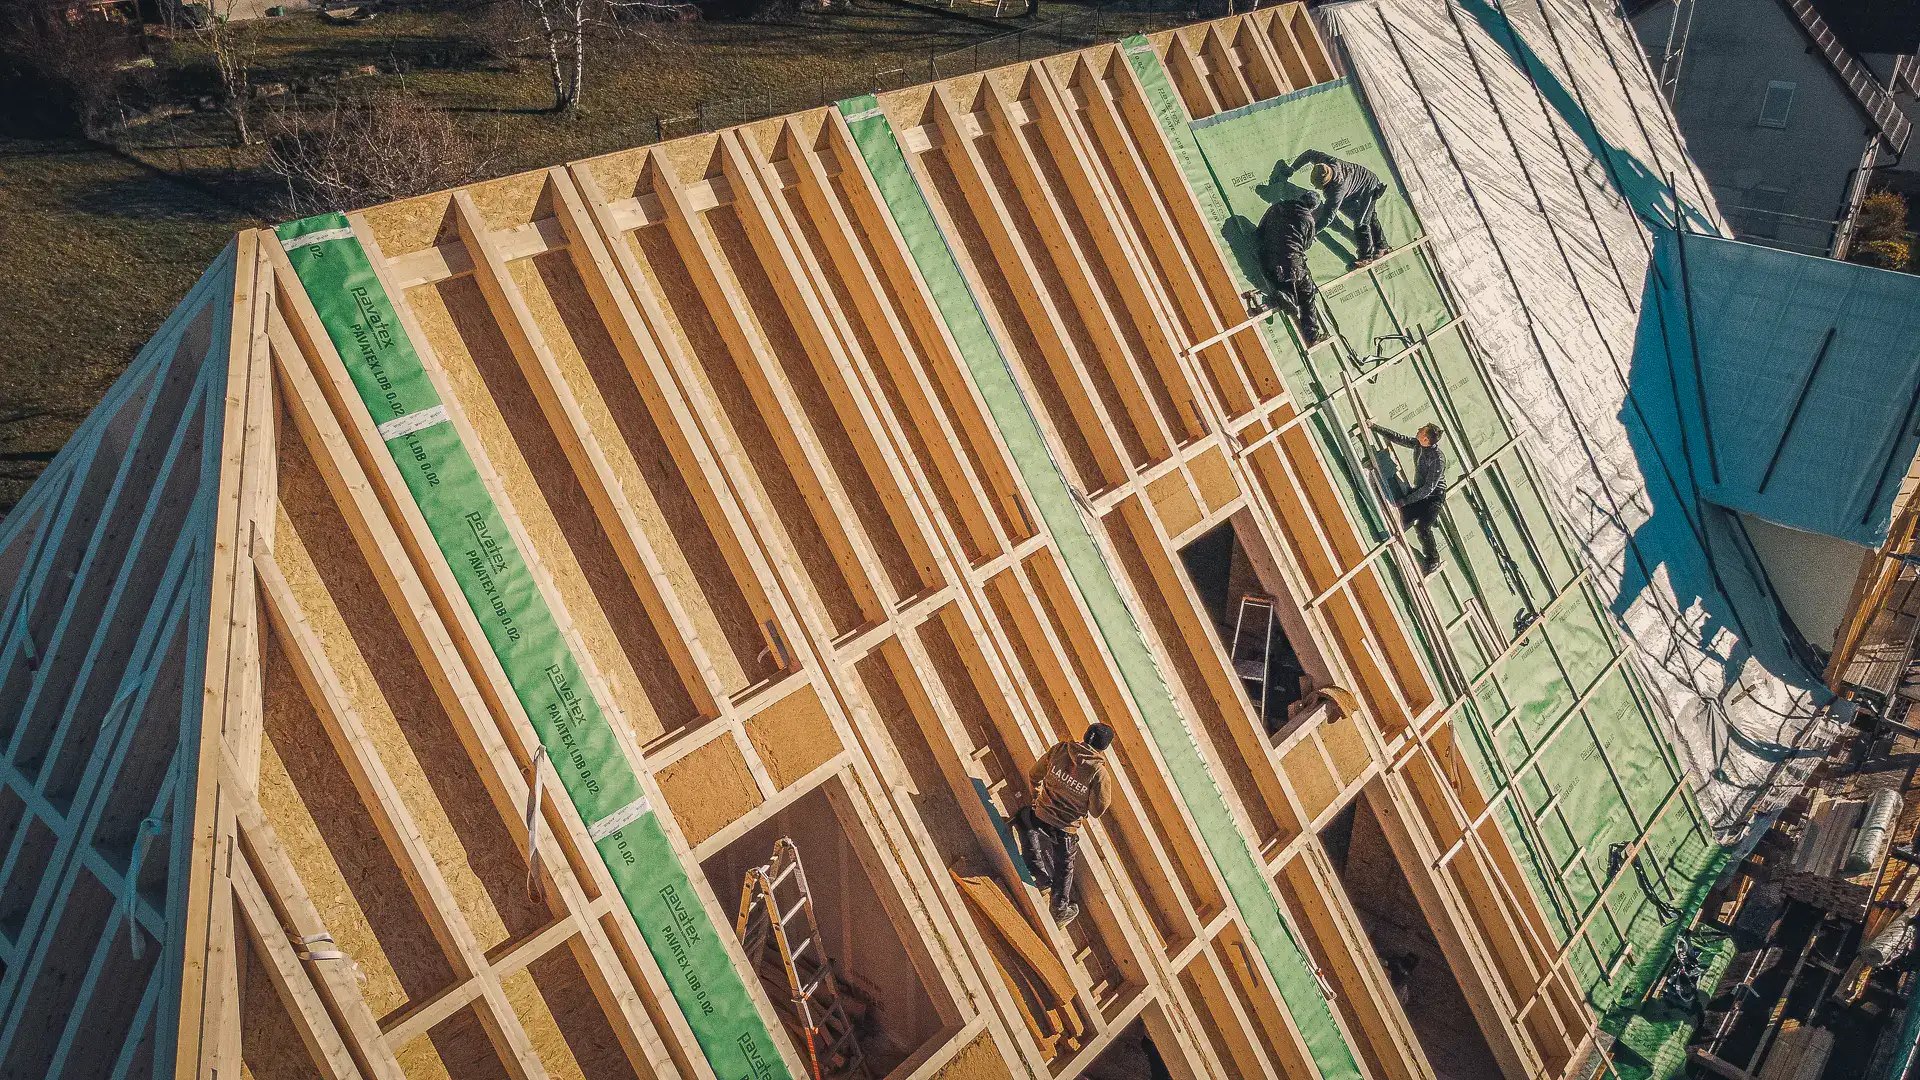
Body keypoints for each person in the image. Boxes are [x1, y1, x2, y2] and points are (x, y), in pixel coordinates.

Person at [1014, 723, 1114, 925]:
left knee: (1024, 819)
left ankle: (1038, 874)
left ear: (1085, 735)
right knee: (1064, 867)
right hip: (1065, 829)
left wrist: (1037, 794)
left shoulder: (1060, 749)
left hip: (1040, 814)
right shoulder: (1099, 774)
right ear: (1105, 748)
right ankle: (1059, 911)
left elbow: (1034, 775)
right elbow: (1096, 811)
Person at [1372, 422, 1446, 575]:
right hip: (1420, 493)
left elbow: (1428, 489)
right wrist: (1375, 427)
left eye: (1421, 431)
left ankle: (1433, 559)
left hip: (1433, 498)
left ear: (1426, 440)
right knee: (1402, 518)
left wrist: (1405, 501)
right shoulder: (1419, 445)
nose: (1418, 430)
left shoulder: (1438, 459)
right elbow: (1399, 438)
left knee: (1422, 527)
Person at [1293, 149, 1390, 264]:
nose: (1317, 188)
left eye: (1318, 186)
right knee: (1366, 215)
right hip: (1353, 187)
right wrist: (1292, 168)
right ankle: (1382, 245)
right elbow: (1309, 153)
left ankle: (1365, 256)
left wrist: (1312, 231)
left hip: (1368, 186)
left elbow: (1328, 216)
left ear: (1327, 183)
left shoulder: (1337, 190)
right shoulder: (1324, 162)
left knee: (1361, 221)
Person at [1255, 191, 1326, 345]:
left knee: (1290, 283)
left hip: (1267, 259)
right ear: (1312, 208)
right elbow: (1305, 246)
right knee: (1308, 293)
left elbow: (1260, 229)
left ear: (1301, 198)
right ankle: (1312, 335)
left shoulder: (1278, 206)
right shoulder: (1308, 220)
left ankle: (1286, 295)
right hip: (1291, 264)